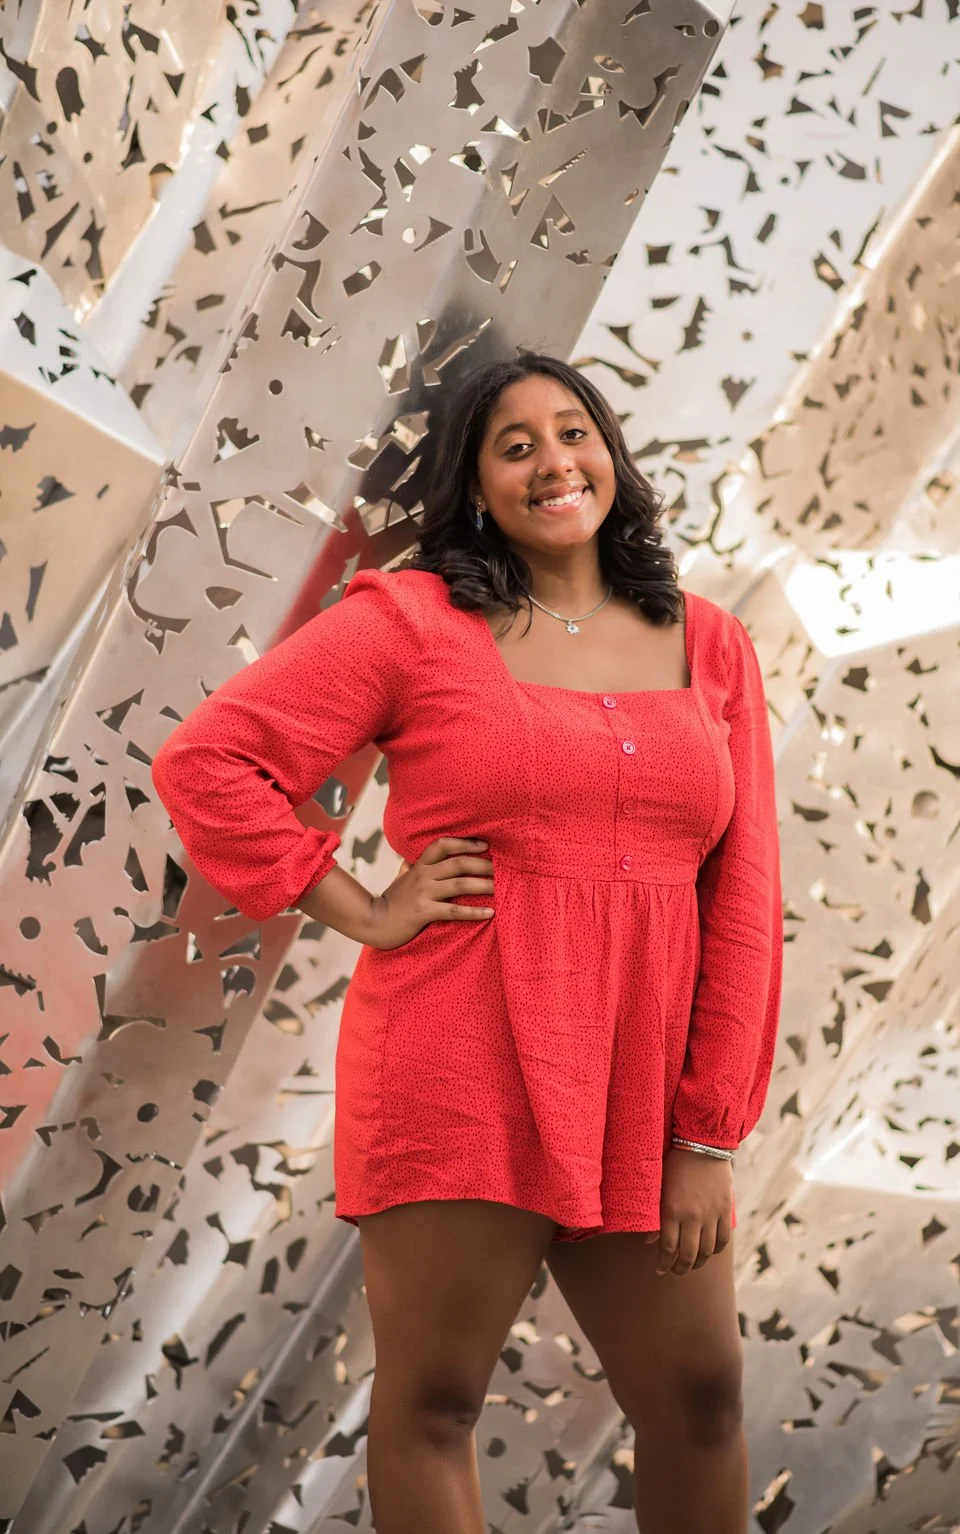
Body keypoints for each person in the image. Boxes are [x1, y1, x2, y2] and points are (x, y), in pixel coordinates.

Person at [151, 350, 783, 1534]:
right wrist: (362, 907)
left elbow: (742, 896)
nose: (554, 461)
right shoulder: (412, 623)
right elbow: (210, 764)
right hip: (461, 1052)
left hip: (643, 1083)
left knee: (700, 1397)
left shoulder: (710, 645)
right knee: (436, 1400)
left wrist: (708, 1129)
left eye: (573, 431)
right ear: (475, 485)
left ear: (611, 453)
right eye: (515, 444)